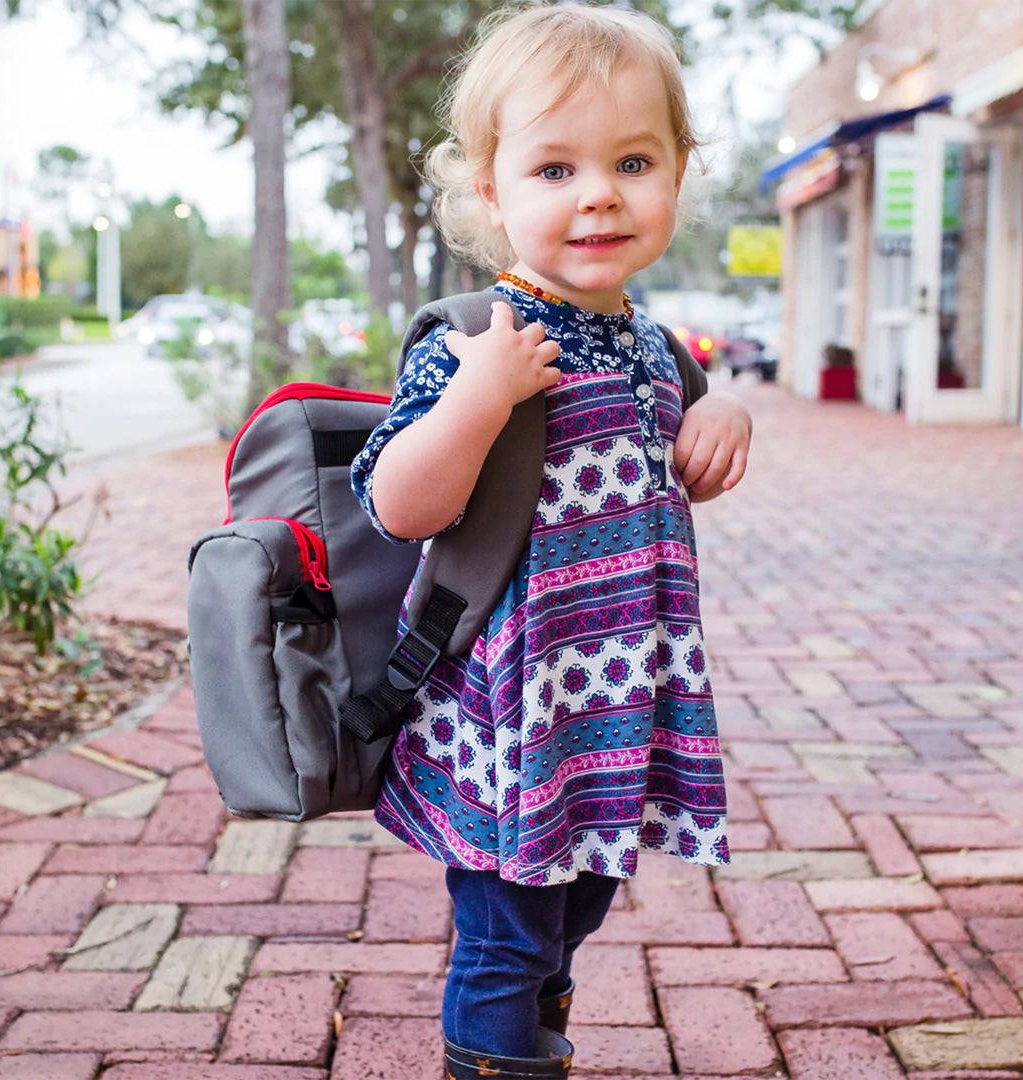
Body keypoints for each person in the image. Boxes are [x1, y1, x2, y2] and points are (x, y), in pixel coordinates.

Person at [350, 5, 753, 1077]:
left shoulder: (659, 349)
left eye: (632, 159)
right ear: (492, 190)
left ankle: (537, 1026)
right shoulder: (478, 340)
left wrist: (717, 417)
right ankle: (502, 1049)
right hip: (514, 711)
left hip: (617, 700)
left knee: (580, 902)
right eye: (554, 168)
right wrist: (477, 402)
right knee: (506, 935)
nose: (599, 194)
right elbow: (401, 505)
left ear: (679, 170)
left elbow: (668, 475)